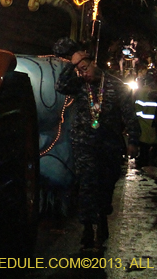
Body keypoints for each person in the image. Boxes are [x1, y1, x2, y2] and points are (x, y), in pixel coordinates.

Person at [54, 38, 140, 250]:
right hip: (84, 143)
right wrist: (73, 64)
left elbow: (129, 114)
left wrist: (133, 141)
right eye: (80, 71)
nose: (83, 74)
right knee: (86, 185)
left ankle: (102, 220)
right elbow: (60, 86)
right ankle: (87, 229)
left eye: (85, 68)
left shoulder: (117, 86)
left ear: (94, 63)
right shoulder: (79, 85)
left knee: (106, 185)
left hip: (109, 144)